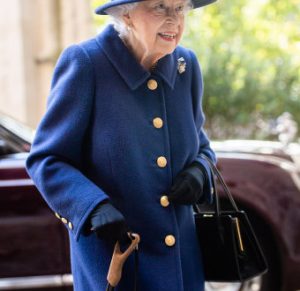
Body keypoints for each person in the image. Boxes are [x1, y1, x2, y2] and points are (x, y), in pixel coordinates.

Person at [26, 0, 217, 290]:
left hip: (182, 268)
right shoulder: (86, 63)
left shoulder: (185, 65)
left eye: (180, 8)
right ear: (126, 14)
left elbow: (202, 146)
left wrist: (200, 172)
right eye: (160, 7)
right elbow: (46, 159)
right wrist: (91, 206)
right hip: (117, 264)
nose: (174, 20)